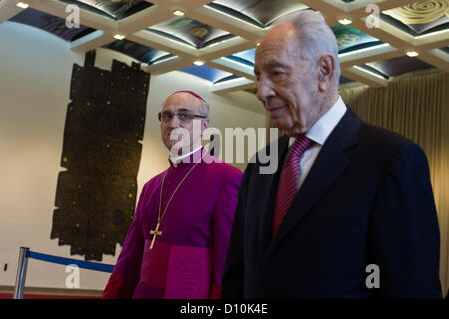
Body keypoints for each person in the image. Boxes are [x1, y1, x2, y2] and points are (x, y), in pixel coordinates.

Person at [221, 10, 442, 298]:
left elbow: (413, 290)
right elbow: (238, 276)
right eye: (258, 76)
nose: (261, 91)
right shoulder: (260, 165)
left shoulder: (392, 160)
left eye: (276, 73)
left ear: (323, 72)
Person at [102, 90, 242, 298]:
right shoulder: (151, 187)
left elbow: (227, 263)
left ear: (204, 126)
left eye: (184, 115)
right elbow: (130, 258)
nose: (173, 124)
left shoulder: (227, 178)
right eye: (166, 116)